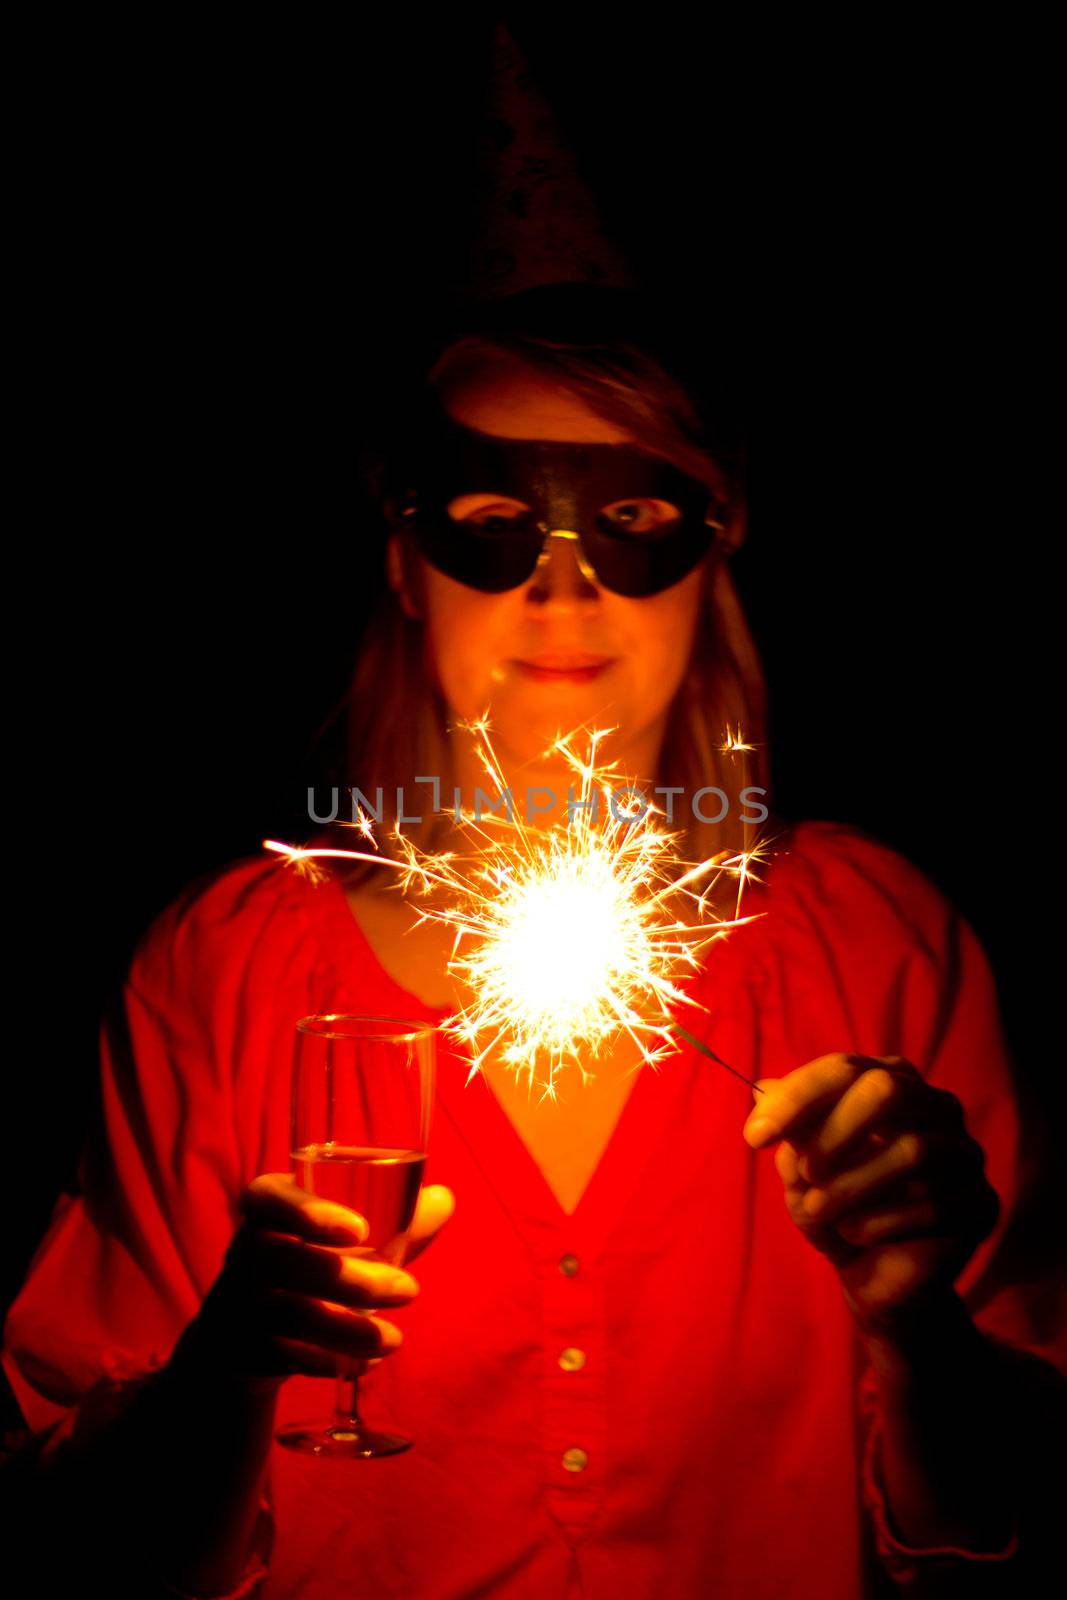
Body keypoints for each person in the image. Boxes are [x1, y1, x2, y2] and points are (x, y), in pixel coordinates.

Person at [2, 284, 1064, 1599]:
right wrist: (228, 1368)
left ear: (718, 544)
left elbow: (1012, 1526)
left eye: (632, 524)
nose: (563, 588)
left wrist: (920, 1330)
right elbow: (87, 1555)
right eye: (495, 524)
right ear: (403, 554)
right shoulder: (225, 972)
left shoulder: (876, 948)